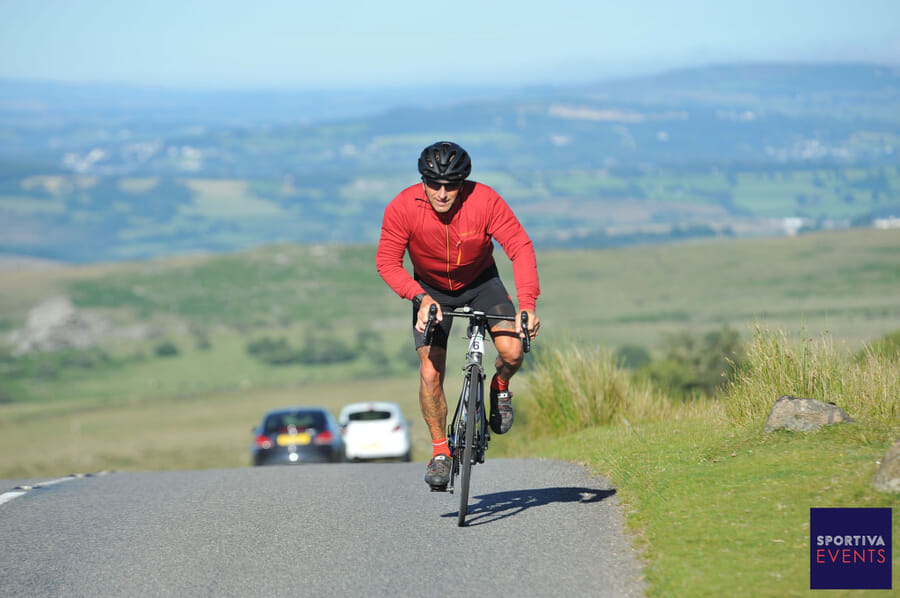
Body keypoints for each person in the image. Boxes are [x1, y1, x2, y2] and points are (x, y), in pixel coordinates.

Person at [376, 140, 541, 490]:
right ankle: (440, 452)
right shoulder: (403, 207)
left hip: (482, 283)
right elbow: (387, 263)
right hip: (430, 292)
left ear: (463, 183)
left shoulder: (485, 200)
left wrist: (527, 304)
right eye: (433, 184)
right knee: (430, 372)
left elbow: (520, 248)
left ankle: (500, 387)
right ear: (423, 181)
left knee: (512, 352)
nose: (441, 193)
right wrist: (417, 296)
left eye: (451, 185)